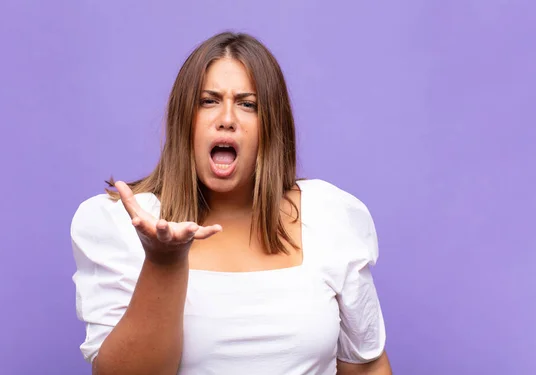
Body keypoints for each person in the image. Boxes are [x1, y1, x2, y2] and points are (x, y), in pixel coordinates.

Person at [70, 31, 392, 375]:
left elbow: (367, 367)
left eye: (247, 104)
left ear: (271, 126)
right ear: (184, 120)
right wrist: (163, 262)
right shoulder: (122, 223)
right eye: (208, 101)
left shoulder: (330, 214)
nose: (226, 118)